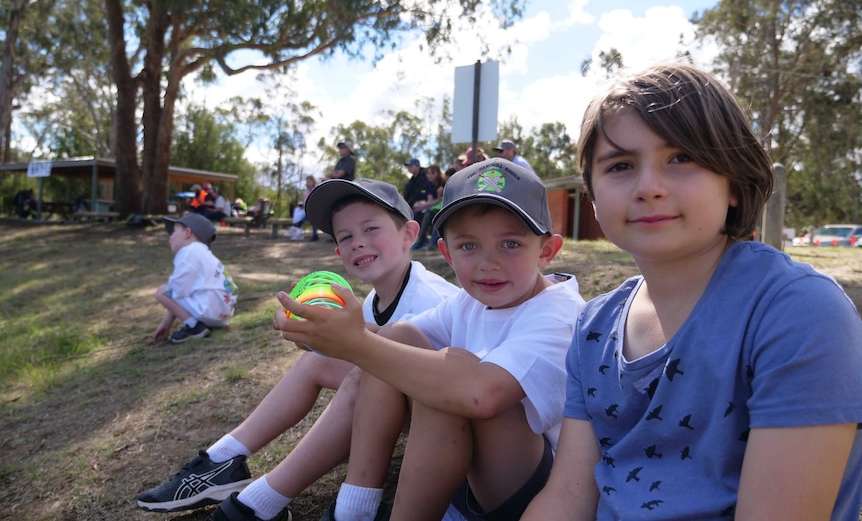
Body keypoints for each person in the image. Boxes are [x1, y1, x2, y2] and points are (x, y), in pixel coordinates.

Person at [522, 62, 862, 521]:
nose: (649, 188)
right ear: (595, 200)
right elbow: (568, 497)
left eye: (681, 157)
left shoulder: (797, 312)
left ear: (734, 182)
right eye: (620, 165)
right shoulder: (593, 326)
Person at [277, 158, 587, 521]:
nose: (488, 263)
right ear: (447, 253)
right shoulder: (468, 300)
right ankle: (355, 508)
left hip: (535, 492)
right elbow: (390, 342)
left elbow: (483, 396)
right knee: (402, 336)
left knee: (450, 375)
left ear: (547, 251)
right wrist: (328, 332)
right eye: (469, 247)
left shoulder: (559, 313)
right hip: (471, 472)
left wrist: (358, 343)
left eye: (511, 244)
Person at [136, 178, 458, 519]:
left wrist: (346, 341)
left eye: (371, 228)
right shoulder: (373, 300)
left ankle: (270, 499)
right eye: (345, 237)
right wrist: (317, 338)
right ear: (338, 252)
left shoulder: (429, 297)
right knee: (315, 363)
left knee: (365, 371)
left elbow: (433, 374)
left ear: (409, 234)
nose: (358, 243)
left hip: (451, 424)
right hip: (408, 403)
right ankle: (223, 459)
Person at [153, 213, 238, 343]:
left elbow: (174, 290)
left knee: (162, 291)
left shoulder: (188, 252)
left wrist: (167, 321)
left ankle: (194, 327)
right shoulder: (203, 254)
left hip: (208, 311)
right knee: (170, 290)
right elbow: (178, 296)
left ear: (187, 232)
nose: (170, 237)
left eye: (174, 232)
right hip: (222, 315)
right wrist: (167, 324)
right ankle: (195, 324)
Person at [411, 163, 446, 250]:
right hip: (434, 206)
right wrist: (421, 205)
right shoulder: (428, 185)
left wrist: (422, 207)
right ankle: (421, 240)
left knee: (435, 217)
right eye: (428, 173)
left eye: (432, 173)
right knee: (426, 215)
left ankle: (433, 243)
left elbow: (439, 200)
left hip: (442, 207)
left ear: (438, 173)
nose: (430, 175)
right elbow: (430, 200)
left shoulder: (443, 183)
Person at [284, 176, 320, 241]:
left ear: (313, 182)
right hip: (307, 209)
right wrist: (302, 205)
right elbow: (305, 201)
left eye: (309, 182)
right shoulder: (307, 191)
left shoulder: (316, 189)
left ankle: (297, 228)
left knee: (311, 215)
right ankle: (296, 229)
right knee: (297, 210)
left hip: (314, 210)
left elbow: (317, 201)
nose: (308, 183)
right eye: (307, 182)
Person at [402, 157, 432, 222]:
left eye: (411, 166)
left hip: (423, 204)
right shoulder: (411, 181)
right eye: (408, 166)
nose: (409, 168)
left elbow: (421, 193)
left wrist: (408, 204)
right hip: (410, 205)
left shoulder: (424, 177)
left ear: (417, 166)